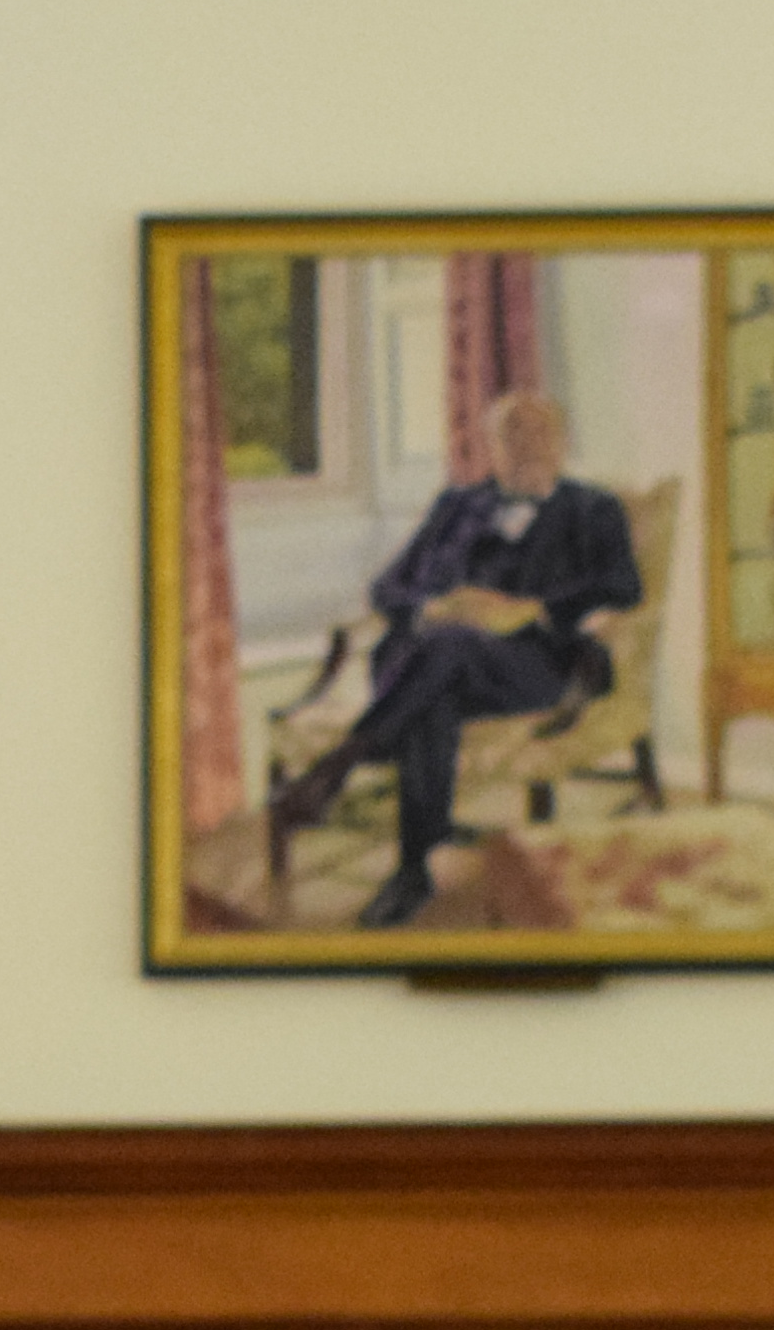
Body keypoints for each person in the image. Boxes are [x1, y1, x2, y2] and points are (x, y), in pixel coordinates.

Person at [267, 388, 644, 929]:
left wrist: (528, 610)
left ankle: (341, 764)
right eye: (512, 433)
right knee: (436, 682)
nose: (527, 445)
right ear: (491, 446)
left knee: (443, 655)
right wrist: (432, 608)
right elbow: (387, 588)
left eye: (540, 432)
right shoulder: (455, 505)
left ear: (562, 442)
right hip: (428, 662)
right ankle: (414, 867)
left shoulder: (594, 509)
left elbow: (624, 586)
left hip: (529, 665)